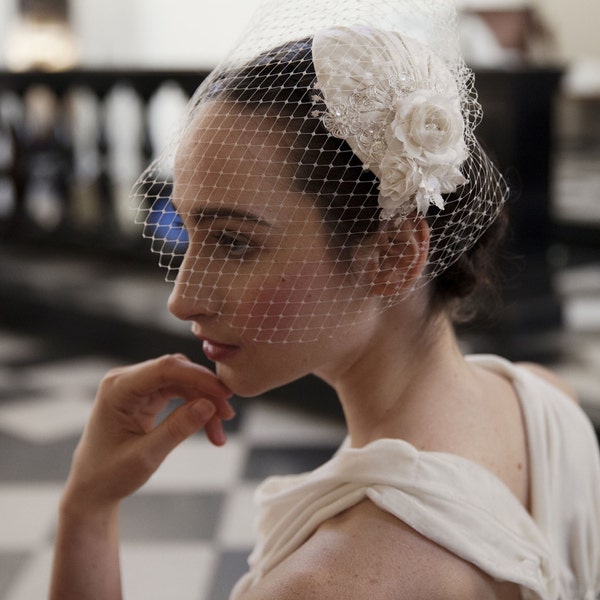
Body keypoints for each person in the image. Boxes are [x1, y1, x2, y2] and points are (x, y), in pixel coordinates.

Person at [50, 1, 600, 598]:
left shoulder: (325, 583)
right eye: (189, 232)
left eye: (235, 242)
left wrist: (85, 510)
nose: (181, 299)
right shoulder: (548, 400)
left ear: (393, 256)